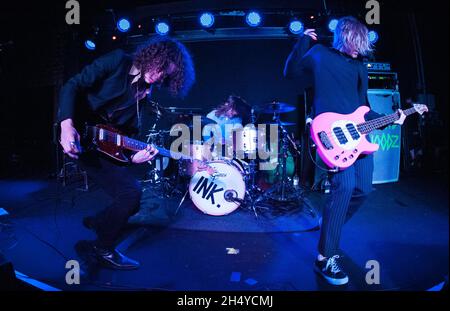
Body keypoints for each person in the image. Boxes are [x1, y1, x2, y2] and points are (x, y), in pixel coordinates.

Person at [284, 16, 406, 285]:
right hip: (333, 135)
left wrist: (390, 118)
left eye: (362, 45)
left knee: (364, 189)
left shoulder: (360, 66)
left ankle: (330, 225)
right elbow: (289, 72)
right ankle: (325, 257)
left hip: (359, 137)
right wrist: (303, 40)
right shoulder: (319, 54)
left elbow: (363, 108)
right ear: (344, 36)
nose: (358, 49)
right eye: (355, 42)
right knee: (344, 186)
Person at [57, 36, 195, 270]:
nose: (161, 76)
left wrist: (133, 157)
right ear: (153, 56)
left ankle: (101, 222)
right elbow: (73, 84)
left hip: (102, 146)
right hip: (80, 135)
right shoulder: (118, 61)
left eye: (166, 75)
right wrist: (66, 125)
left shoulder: (145, 94)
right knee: (131, 194)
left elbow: (124, 134)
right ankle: (102, 247)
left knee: (130, 196)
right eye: (161, 68)